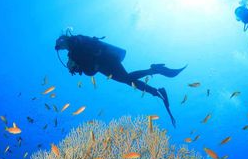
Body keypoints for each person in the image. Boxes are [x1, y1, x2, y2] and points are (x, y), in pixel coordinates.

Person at [55, 32, 186, 127]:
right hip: (104, 66)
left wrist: (76, 62)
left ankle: (154, 73)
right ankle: (156, 89)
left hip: (106, 60)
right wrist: (76, 66)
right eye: (60, 46)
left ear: (65, 39)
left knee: (127, 79)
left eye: (61, 42)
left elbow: (89, 60)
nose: (62, 47)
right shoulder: (73, 52)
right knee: (128, 81)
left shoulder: (76, 42)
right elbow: (89, 70)